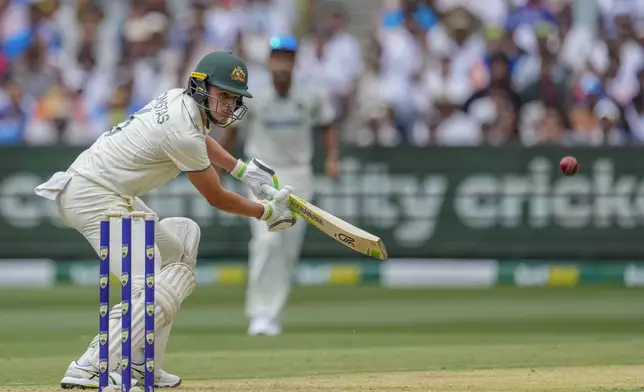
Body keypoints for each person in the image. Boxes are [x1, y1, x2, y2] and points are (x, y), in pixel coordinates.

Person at [34, 51, 296, 389]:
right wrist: (266, 212)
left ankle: (144, 367)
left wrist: (241, 169)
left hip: (112, 194)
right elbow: (215, 196)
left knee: (181, 243)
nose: (229, 106)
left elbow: (201, 141)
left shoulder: (178, 101)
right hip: (91, 196)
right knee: (150, 283)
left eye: (234, 99)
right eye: (224, 95)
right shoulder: (181, 132)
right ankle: (90, 367)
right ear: (200, 87)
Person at [224, 36, 339, 336]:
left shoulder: (311, 94)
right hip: (261, 173)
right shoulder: (253, 96)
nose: (282, 64)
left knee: (288, 247)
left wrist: (332, 159)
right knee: (267, 242)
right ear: (270, 61)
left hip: (298, 175)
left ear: (294, 62)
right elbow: (232, 131)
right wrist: (221, 164)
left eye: (287, 57)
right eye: (277, 57)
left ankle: (272, 313)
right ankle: (260, 313)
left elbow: (327, 124)